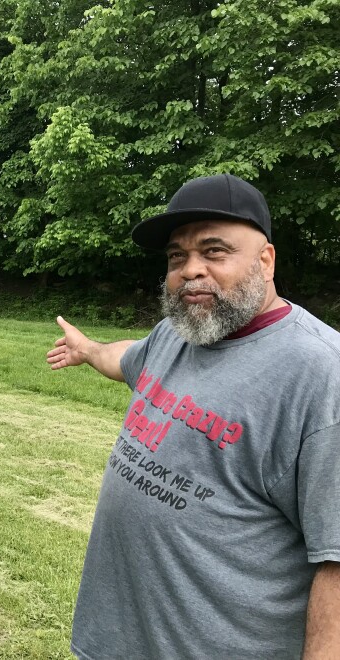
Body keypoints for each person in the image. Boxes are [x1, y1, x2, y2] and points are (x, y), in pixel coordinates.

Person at [47, 173, 340, 659]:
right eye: (177, 256)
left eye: (214, 251)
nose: (190, 270)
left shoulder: (321, 376)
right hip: (116, 642)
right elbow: (128, 359)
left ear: (265, 260)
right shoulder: (178, 335)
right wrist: (88, 349)